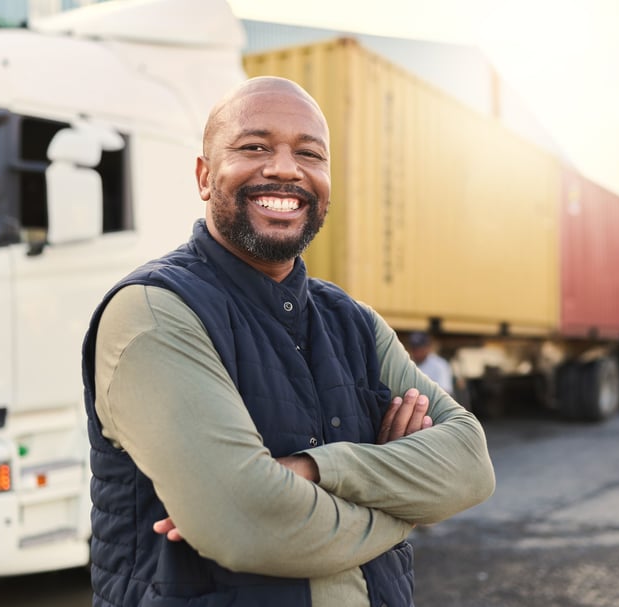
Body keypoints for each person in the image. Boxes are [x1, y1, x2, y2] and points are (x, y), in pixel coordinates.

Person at [81, 76, 495, 607]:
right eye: (254, 147)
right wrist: (407, 505)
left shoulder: (354, 323)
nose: (284, 168)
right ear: (205, 176)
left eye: (309, 153)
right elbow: (243, 521)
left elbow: (470, 464)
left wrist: (314, 470)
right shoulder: (155, 311)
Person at [408, 331, 455, 396]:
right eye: (414, 349)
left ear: (427, 348)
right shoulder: (409, 364)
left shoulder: (440, 365)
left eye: (420, 349)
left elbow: (445, 393)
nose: (417, 352)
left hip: (434, 404)